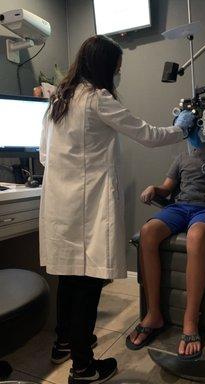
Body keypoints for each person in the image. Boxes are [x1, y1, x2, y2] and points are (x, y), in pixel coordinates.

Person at [39, 35, 195, 384]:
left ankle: (64, 343)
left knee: (69, 277)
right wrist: (182, 128)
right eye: (118, 69)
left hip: (61, 206)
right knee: (88, 283)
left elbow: (44, 155)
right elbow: (149, 134)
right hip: (86, 208)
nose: (118, 75)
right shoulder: (97, 99)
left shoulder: (59, 99)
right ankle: (83, 367)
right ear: (105, 68)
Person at [126, 111, 205, 360]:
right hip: (179, 208)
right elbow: (167, 188)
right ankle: (154, 314)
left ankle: (190, 321)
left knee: (196, 236)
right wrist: (155, 189)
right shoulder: (181, 158)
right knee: (148, 232)